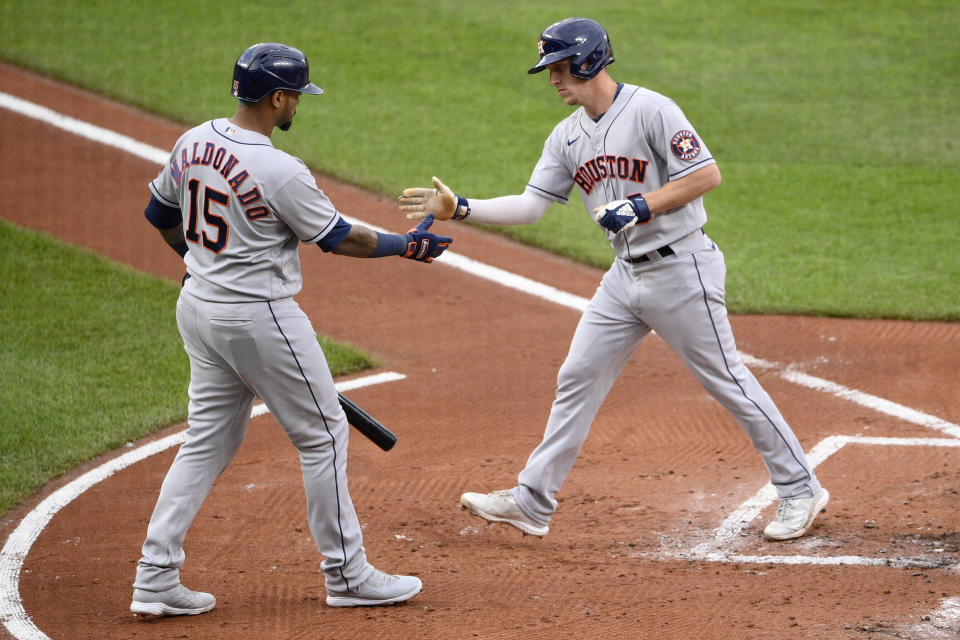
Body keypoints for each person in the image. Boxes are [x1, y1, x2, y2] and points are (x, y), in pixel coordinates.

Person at [399, 18, 828, 543]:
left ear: (586, 60)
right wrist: (462, 208)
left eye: (558, 68)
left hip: (681, 269)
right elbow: (533, 206)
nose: (553, 80)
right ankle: (533, 501)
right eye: (549, 71)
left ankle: (800, 488)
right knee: (577, 376)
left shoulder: (651, 109)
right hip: (623, 279)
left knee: (728, 380)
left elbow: (705, 175)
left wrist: (640, 204)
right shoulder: (567, 135)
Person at [131, 42, 450, 616]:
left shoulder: (192, 140)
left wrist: (195, 265)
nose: (299, 104)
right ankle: (347, 575)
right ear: (277, 97)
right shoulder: (279, 168)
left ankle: (155, 577)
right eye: (296, 95)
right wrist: (410, 246)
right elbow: (338, 237)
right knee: (324, 434)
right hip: (259, 317)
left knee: (206, 440)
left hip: (199, 309)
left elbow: (160, 216)